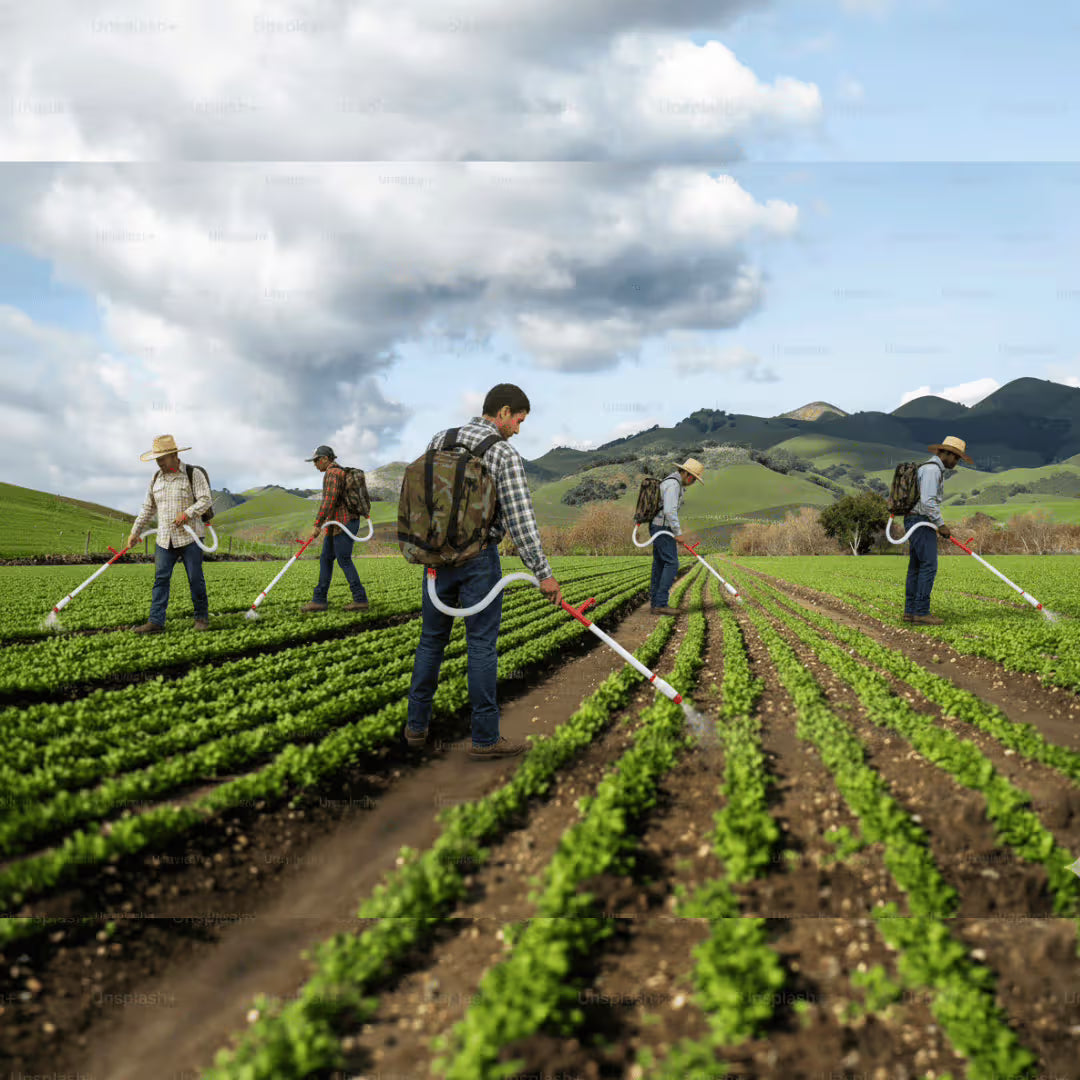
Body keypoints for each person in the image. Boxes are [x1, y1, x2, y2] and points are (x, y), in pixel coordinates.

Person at [404, 383, 562, 760]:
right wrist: (544, 573)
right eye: (519, 421)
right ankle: (485, 739)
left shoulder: (439, 438)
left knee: (430, 642)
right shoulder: (503, 454)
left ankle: (415, 726)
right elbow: (521, 522)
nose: (519, 430)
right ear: (503, 412)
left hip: (435, 561)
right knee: (481, 646)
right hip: (478, 561)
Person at [128, 434, 212, 633]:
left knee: (195, 578)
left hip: (190, 537)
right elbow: (148, 508)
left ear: (174, 455)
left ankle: (201, 619)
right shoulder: (156, 478)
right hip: (164, 539)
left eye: (162, 458)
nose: (159, 463)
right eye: (157, 459)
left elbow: (205, 500)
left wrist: (187, 513)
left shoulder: (193, 474)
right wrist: (135, 532)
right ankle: (156, 622)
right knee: (161, 579)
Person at [903, 435, 972, 625]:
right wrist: (941, 524)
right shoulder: (933, 470)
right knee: (929, 566)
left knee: (916, 567)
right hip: (921, 521)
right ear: (947, 454)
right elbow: (928, 502)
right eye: (956, 458)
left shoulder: (927, 468)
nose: (956, 462)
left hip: (915, 520)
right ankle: (921, 612)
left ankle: (910, 611)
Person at [300, 445, 370, 613]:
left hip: (344, 523)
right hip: (337, 524)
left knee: (343, 559)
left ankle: (360, 599)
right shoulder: (338, 472)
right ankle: (319, 600)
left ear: (325, 459)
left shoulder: (333, 473)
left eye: (316, 461)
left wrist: (317, 524)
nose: (315, 464)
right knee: (325, 558)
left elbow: (329, 501)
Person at [649, 457, 705, 615]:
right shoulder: (673, 485)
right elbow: (669, 511)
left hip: (659, 527)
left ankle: (655, 604)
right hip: (663, 528)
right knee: (672, 564)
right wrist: (678, 533)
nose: (693, 483)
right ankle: (660, 603)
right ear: (689, 476)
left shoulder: (672, 482)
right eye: (694, 480)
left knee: (659, 565)